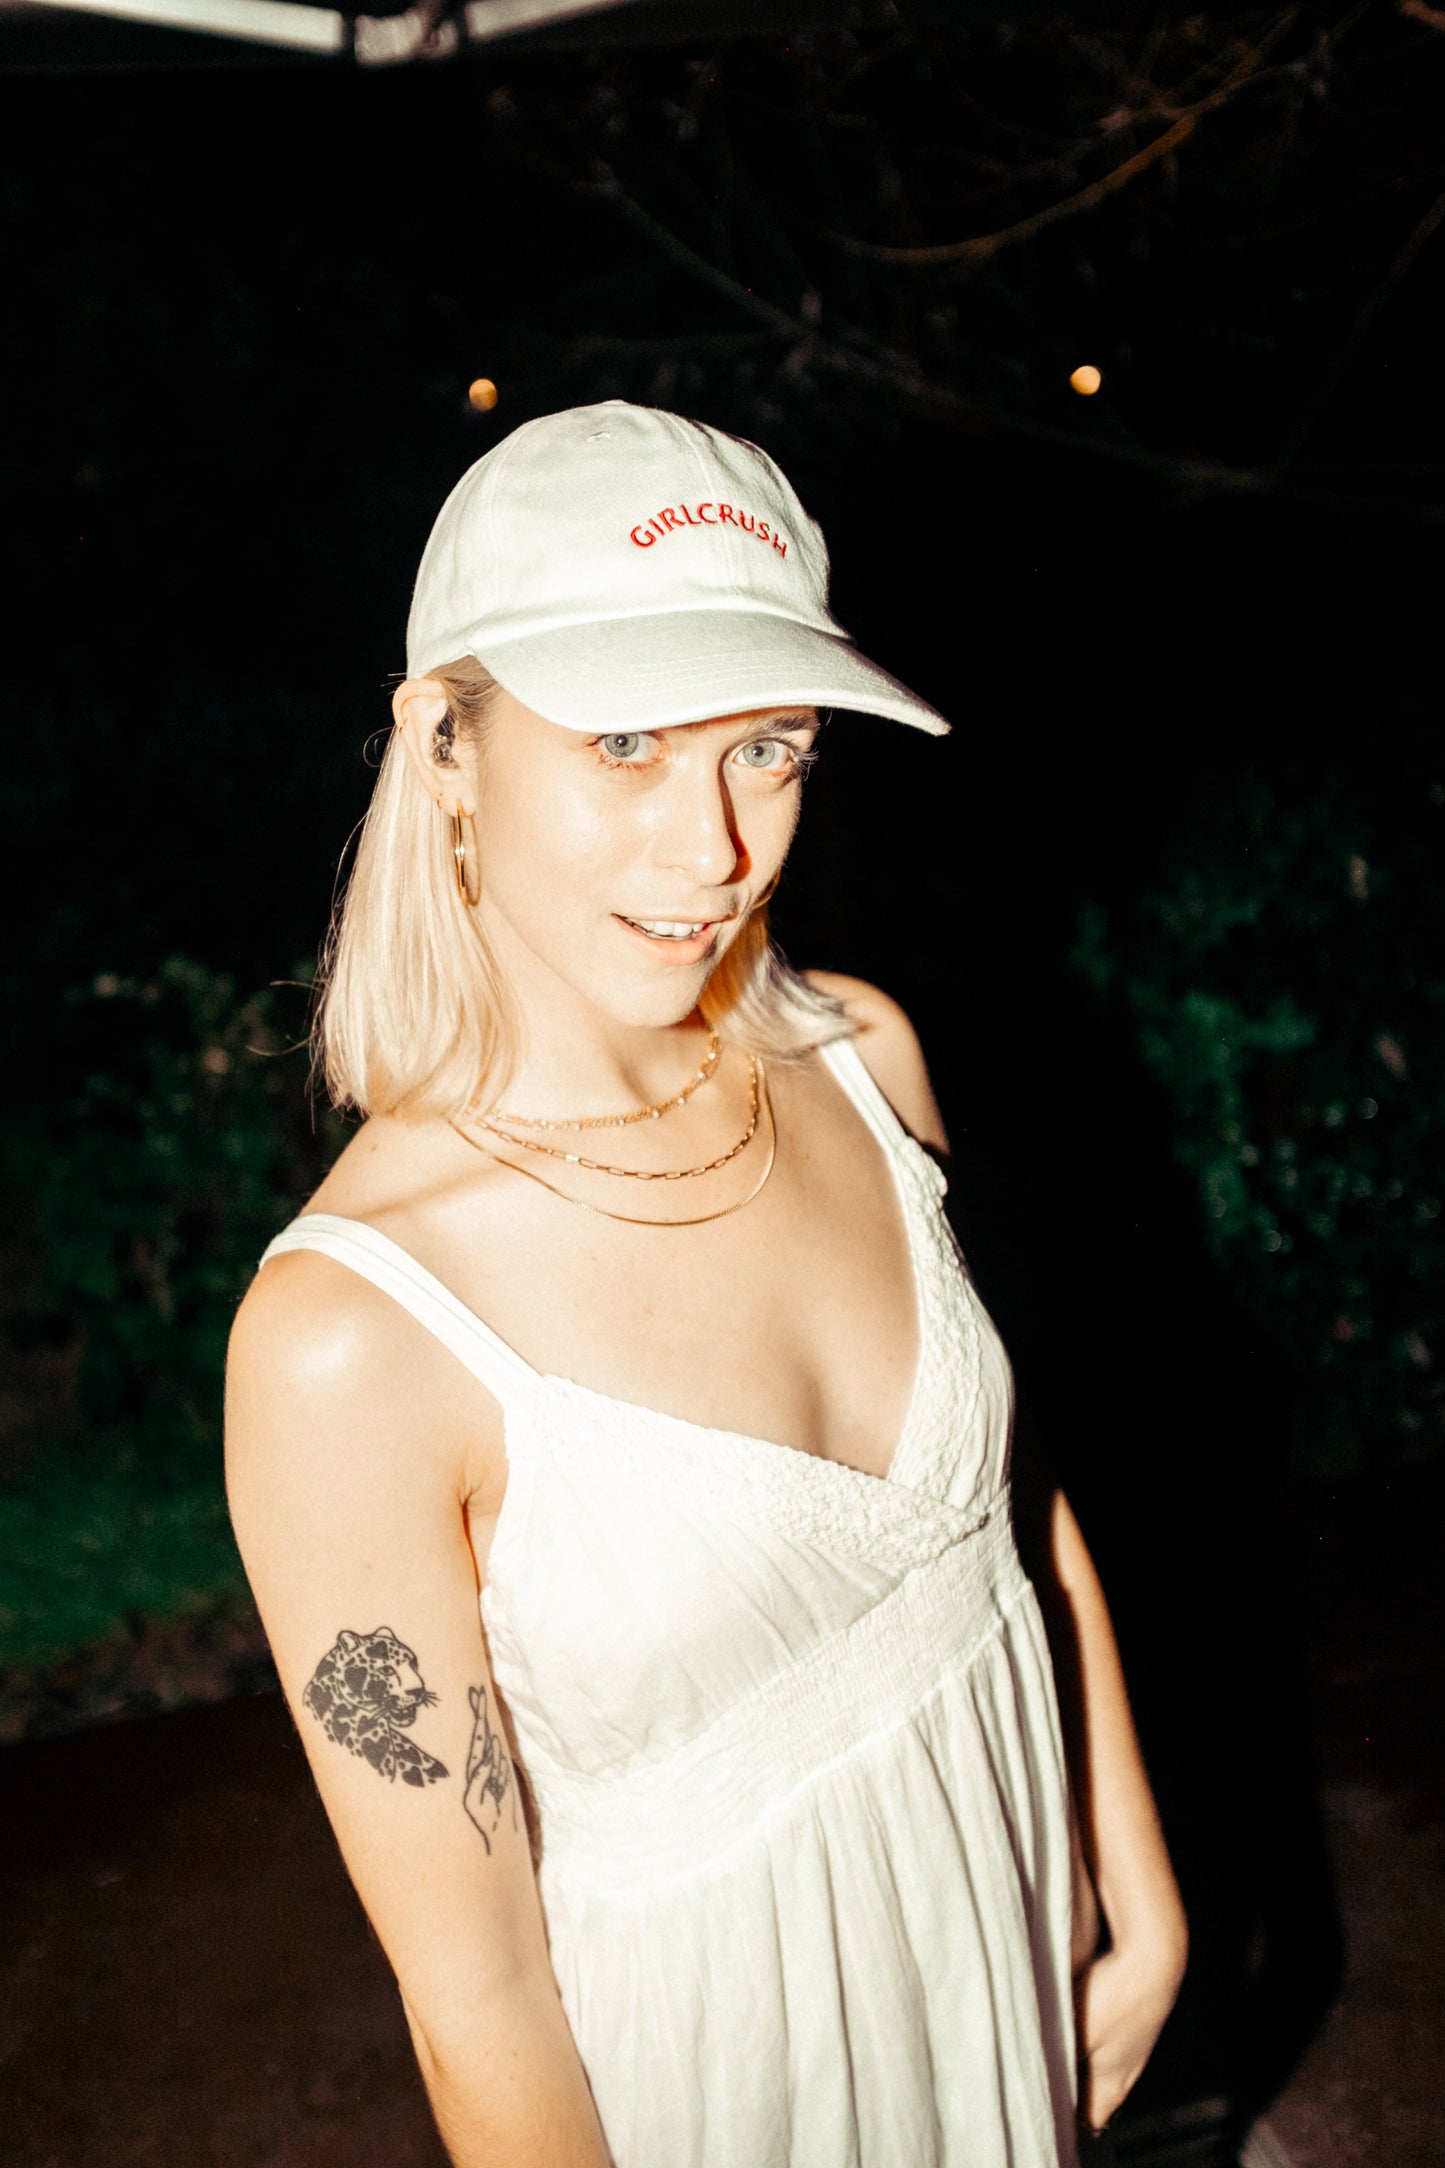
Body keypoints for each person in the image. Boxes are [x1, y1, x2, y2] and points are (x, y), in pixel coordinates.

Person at [224, 399, 1187, 2168]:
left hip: (1010, 1968)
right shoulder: (349, 1342)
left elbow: (1006, 1501)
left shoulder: (861, 1063)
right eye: (625, 744)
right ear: (444, 743)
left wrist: (1135, 1878)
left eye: (770, 749)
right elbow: (476, 1998)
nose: (714, 849)